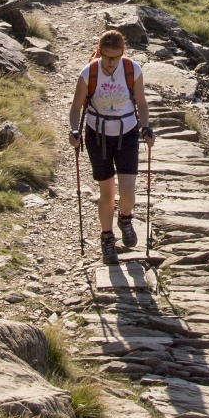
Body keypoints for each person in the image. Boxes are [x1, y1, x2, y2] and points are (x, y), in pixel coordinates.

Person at [68, 28, 153, 261]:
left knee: (127, 191)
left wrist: (145, 127)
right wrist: (74, 131)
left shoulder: (132, 69)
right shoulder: (89, 73)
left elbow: (142, 103)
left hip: (127, 134)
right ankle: (107, 239)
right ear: (99, 52)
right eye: (106, 57)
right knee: (107, 192)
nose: (111, 62)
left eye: (116, 57)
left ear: (123, 53)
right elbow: (76, 107)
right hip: (98, 136)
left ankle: (125, 219)